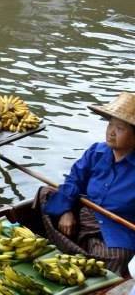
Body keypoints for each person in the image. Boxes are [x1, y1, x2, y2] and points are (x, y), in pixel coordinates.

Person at [39, 93, 135, 276]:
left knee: (118, 255)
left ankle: (81, 258)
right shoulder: (96, 152)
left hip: (117, 226)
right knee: (45, 195)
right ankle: (80, 253)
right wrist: (65, 211)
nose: (111, 132)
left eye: (120, 129)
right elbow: (74, 180)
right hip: (86, 212)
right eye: (110, 125)